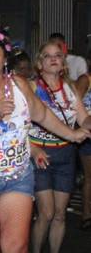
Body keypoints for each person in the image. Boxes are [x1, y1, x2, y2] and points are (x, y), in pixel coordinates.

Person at [0, 28, 89, 253]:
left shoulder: (19, 84)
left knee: (16, 246)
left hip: (18, 176)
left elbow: (42, 115)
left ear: (5, 57)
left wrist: (72, 134)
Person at [29, 41, 91, 253]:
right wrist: (32, 148)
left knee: (60, 214)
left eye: (58, 55)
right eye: (47, 56)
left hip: (66, 153)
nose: (53, 58)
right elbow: (15, 126)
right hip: (40, 153)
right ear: (40, 63)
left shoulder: (71, 87)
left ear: (64, 62)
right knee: (45, 213)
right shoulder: (32, 88)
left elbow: (83, 119)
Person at [77, 71, 91, 230]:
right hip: (88, 135)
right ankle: (86, 214)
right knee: (89, 177)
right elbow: (75, 103)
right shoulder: (85, 79)